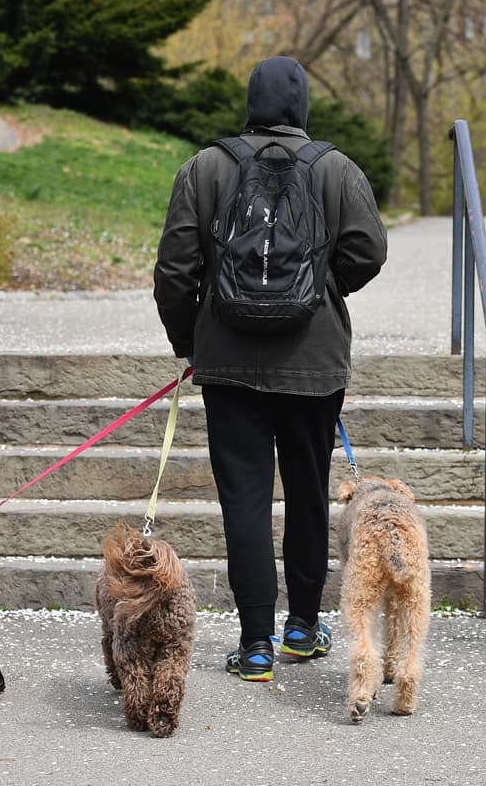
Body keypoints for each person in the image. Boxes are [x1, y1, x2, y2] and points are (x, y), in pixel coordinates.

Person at [154, 56, 388, 683]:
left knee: (245, 502)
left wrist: (191, 341)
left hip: (227, 364)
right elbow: (371, 248)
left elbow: (175, 270)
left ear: (250, 103)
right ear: (303, 106)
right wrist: (320, 288)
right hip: (314, 365)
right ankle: (304, 630)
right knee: (309, 495)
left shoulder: (205, 168)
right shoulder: (336, 169)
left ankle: (255, 644)